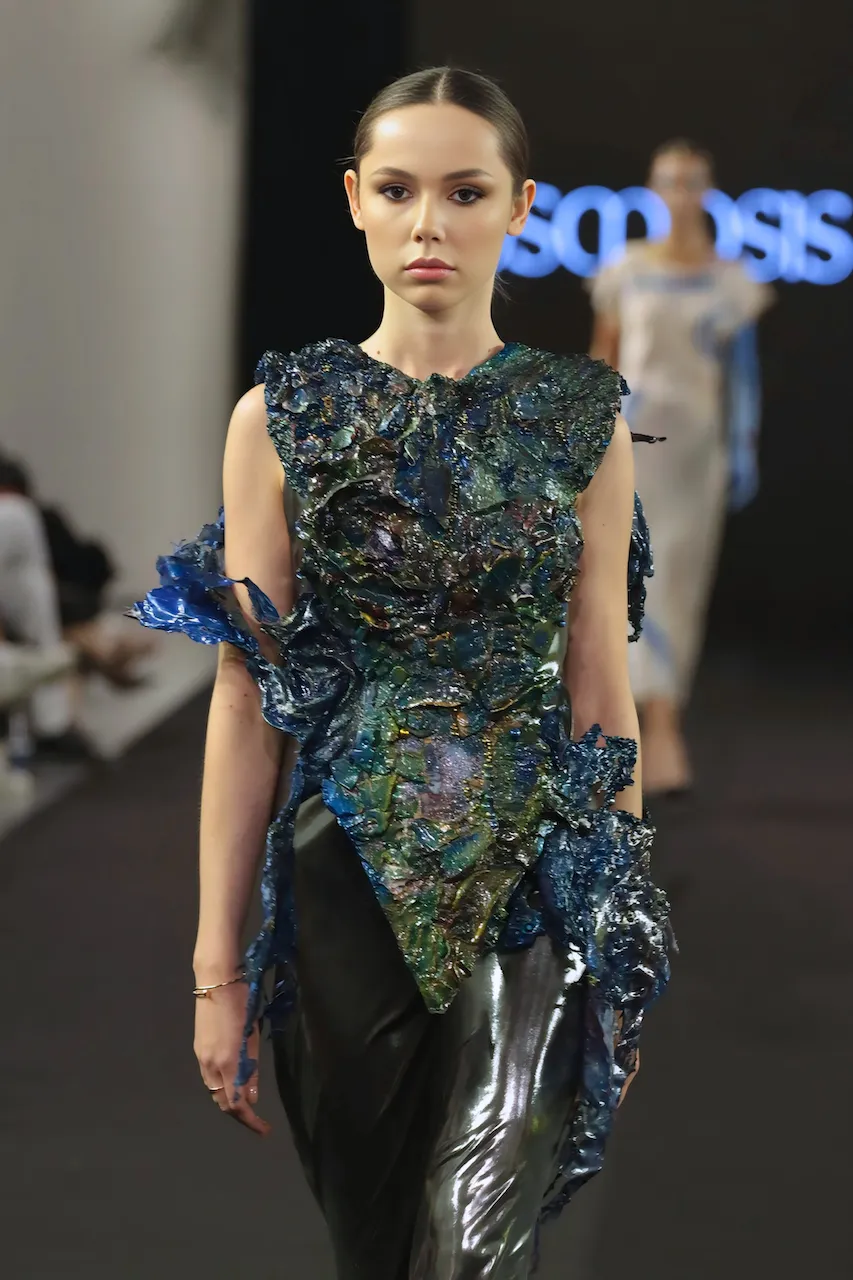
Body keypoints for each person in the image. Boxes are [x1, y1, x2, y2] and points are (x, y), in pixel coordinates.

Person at [133, 67, 672, 1279]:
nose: (429, 222)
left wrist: (622, 942)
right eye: (398, 188)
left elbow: (600, 685)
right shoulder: (284, 412)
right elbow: (245, 692)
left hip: (537, 876)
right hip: (342, 881)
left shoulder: (579, 413)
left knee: (476, 1241)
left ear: (520, 206)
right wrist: (218, 968)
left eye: (464, 190)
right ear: (354, 202)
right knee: (379, 1250)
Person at [589, 139, 772, 796]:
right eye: (668, 180)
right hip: (634, 442)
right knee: (631, 575)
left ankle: (663, 723)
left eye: (690, 180)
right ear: (652, 187)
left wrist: (742, 443)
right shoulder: (625, 270)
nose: (679, 192)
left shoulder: (729, 280)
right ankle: (642, 727)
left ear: (706, 188)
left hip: (696, 450)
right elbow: (604, 358)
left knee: (680, 581)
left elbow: (739, 376)